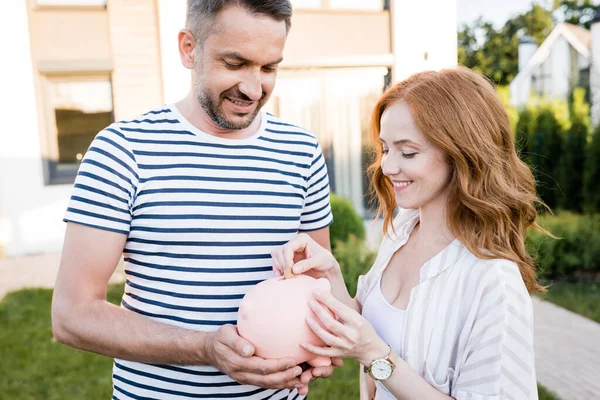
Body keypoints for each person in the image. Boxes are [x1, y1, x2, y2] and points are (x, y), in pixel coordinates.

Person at [51, 1, 339, 399]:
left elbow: (313, 284)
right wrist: (205, 349)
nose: (254, 89)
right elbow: (72, 315)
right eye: (235, 64)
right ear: (189, 48)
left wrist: (317, 343)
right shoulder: (123, 150)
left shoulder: (301, 151)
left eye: (269, 67)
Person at [272, 66, 547, 400]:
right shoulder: (402, 232)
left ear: (462, 154)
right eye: (386, 148)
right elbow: (367, 327)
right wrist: (328, 272)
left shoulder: (492, 279)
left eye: (408, 152)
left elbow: (373, 347)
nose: (386, 167)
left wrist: (375, 356)